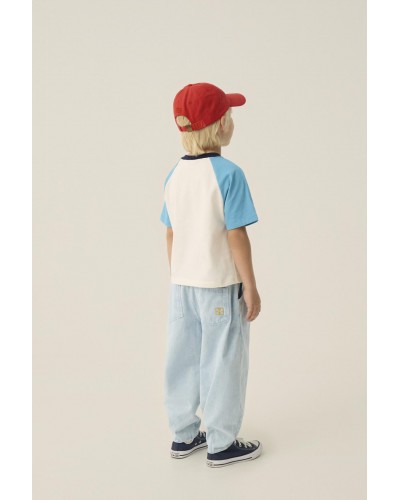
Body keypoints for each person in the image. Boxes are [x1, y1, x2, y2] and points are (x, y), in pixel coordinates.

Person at [160, 82, 262, 468]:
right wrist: (250, 286)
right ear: (220, 126)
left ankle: (183, 434)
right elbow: (236, 234)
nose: (232, 122)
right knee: (223, 361)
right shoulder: (229, 174)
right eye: (229, 116)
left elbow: (170, 233)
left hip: (182, 285)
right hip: (220, 285)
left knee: (183, 359)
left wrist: (179, 274)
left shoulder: (174, 175)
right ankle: (221, 442)